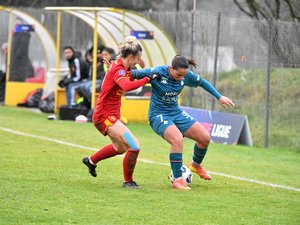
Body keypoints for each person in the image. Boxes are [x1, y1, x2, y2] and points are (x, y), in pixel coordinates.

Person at [132, 55, 235, 190]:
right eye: (179, 75)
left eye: (184, 75)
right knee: (177, 140)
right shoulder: (158, 72)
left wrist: (219, 97)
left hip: (176, 113)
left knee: (204, 138)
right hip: (158, 115)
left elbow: (202, 82)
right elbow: (133, 73)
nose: (182, 78)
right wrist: (115, 69)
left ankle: (195, 165)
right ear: (171, 69)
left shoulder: (186, 75)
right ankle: (178, 180)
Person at [82, 39, 159, 189]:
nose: (138, 62)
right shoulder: (119, 69)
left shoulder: (122, 67)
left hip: (110, 115)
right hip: (105, 116)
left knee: (120, 148)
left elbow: (121, 77)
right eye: (137, 59)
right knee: (134, 146)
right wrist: (147, 80)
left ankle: (91, 161)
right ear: (130, 58)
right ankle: (128, 181)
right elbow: (126, 85)